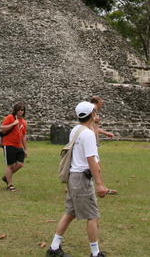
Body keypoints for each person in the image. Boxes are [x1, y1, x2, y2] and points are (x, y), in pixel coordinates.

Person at [46, 101, 112, 257]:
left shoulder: (76, 129)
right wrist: (100, 184)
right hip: (82, 178)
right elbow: (91, 160)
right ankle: (95, 253)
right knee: (92, 216)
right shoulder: (88, 134)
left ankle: (54, 248)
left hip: (73, 177)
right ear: (92, 114)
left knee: (70, 212)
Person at [0, 102, 28, 191]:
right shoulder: (10, 118)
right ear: (16, 110)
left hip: (18, 145)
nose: (21, 111)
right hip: (9, 144)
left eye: (23, 110)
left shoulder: (24, 122)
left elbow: (23, 136)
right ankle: (10, 184)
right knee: (10, 165)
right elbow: (2, 128)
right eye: (19, 110)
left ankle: (6, 177)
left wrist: (25, 149)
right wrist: (13, 124)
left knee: (20, 164)